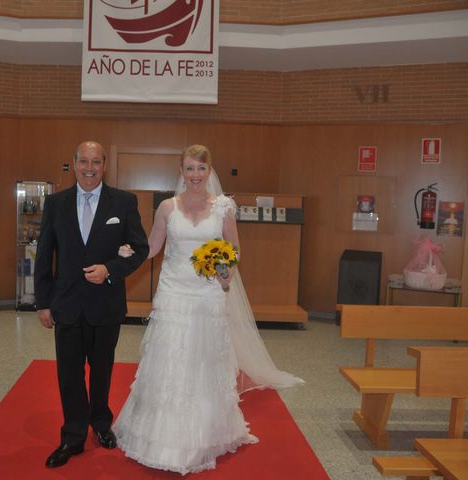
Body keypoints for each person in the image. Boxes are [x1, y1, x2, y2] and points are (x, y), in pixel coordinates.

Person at [113, 144, 304, 475]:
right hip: (174, 293)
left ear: (209, 171)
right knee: (170, 359)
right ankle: (160, 434)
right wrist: (127, 254)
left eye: (200, 169)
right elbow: (154, 247)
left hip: (207, 294)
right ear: (182, 172)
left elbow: (233, 248)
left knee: (202, 362)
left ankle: (204, 432)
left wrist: (227, 267)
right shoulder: (167, 208)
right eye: (189, 169)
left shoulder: (224, 208)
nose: (195, 175)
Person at [35, 141, 149, 468]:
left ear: (104, 166)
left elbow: (140, 249)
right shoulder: (55, 203)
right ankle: (72, 435)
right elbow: (45, 255)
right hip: (66, 304)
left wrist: (110, 269)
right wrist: (43, 303)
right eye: (83, 161)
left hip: (105, 305)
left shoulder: (124, 203)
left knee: (102, 371)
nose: (89, 168)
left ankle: (100, 424)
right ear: (73, 163)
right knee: (69, 374)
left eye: (95, 162)